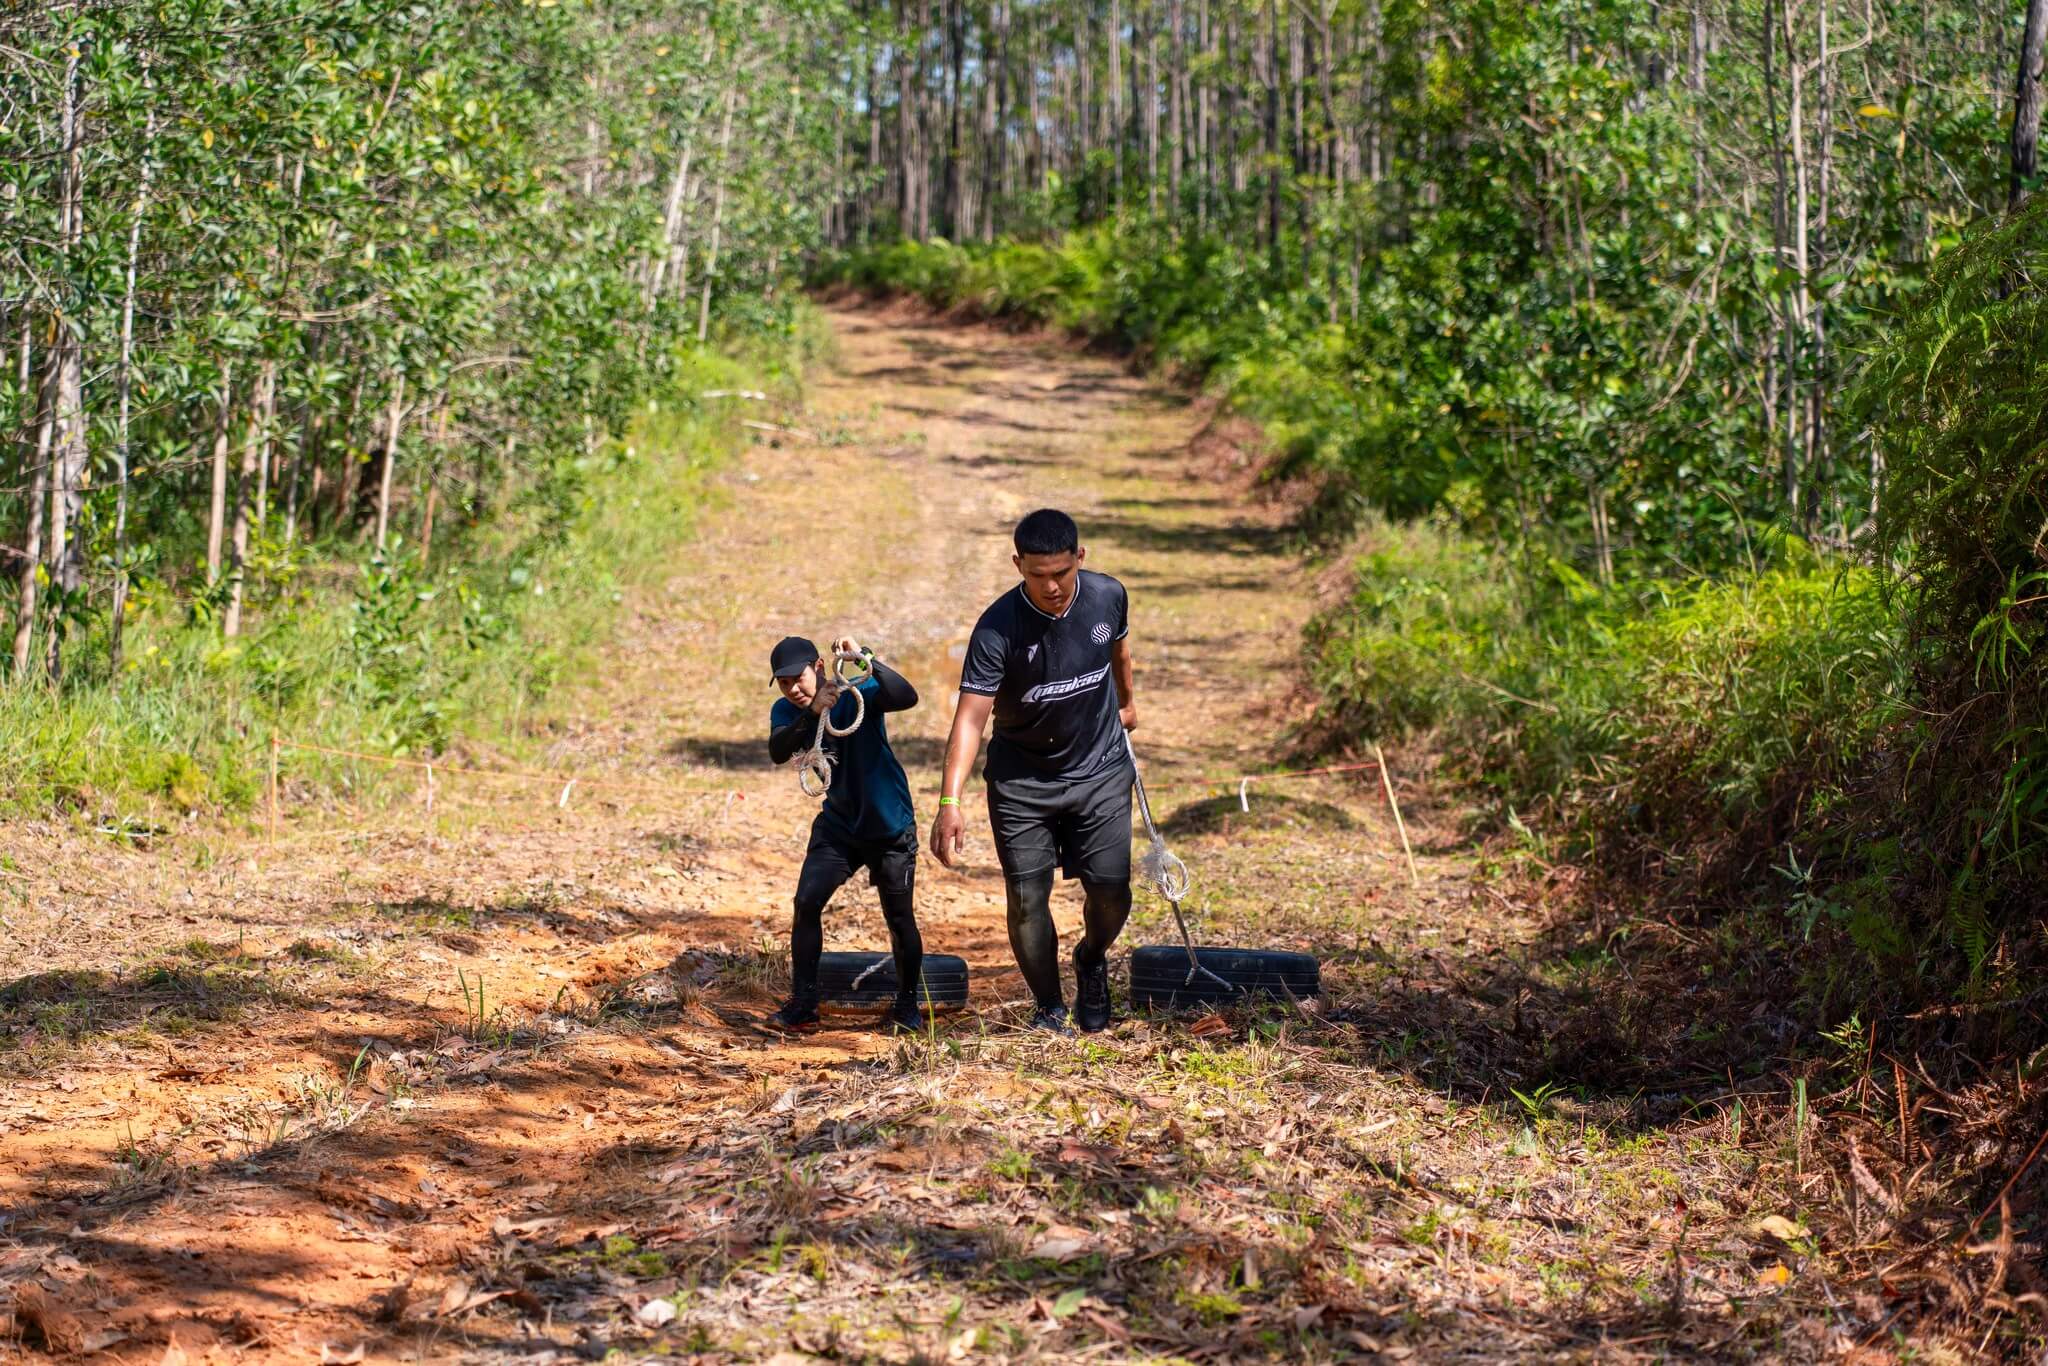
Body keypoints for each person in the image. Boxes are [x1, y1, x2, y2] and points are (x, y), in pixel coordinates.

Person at [929, 509, 1136, 1034]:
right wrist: (949, 804)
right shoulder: (997, 629)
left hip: (1102, 771)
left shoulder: (1107, 595)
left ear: (1080, 559)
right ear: (1017, 564)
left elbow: (1118, 650)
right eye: (1037, 575)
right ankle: (1048, 1006)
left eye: (1062, 573)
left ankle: (1090, 959)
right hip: (1022, 782)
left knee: (1112, 890)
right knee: (1026, 900)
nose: (1052, 586)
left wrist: (1128, 704)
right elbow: (971, 719)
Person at [766, 634, 926, 1034]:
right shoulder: (786, 710)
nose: (793, 688)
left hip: (889, 823)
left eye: (798, 678)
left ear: (818, 667)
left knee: (899, 917)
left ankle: (907, 1006)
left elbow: (907, 697)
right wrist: (810, 713)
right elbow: (777, 749)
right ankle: (805, 1003)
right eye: (784, 683)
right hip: (839, 826)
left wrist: (863, 657)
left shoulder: (856, 693)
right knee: (806, 902)